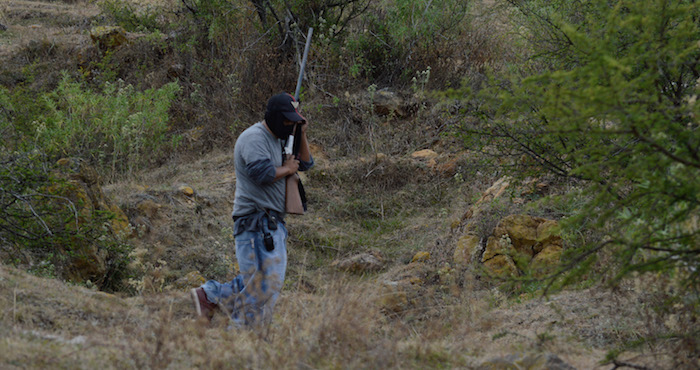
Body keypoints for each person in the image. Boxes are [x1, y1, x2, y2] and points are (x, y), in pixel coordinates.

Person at [190, 92, 313, 327]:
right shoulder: (254, 138)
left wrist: (302, 133)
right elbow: (262, 174)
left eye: (293, 121)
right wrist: (287, 169)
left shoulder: (282, 137)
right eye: (287, 120)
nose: (289, 125)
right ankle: (241, 333)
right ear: (274, 117)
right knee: (264, 284)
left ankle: (209, 295)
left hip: (272, 223)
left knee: (262, 281)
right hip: (257, 223)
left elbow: (306, 163)